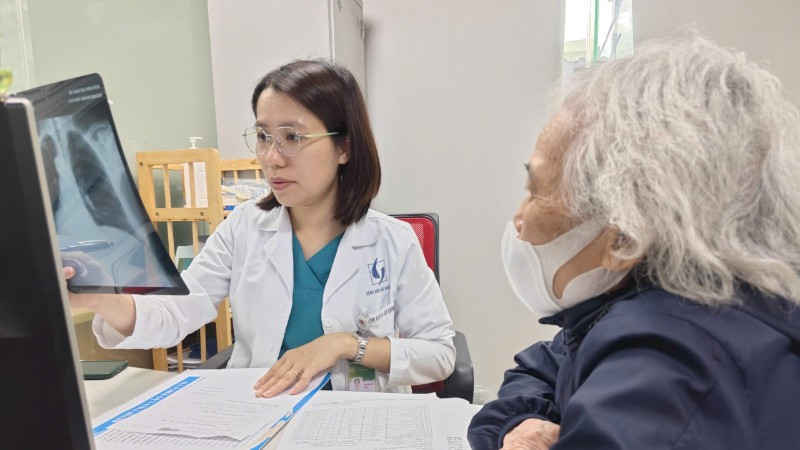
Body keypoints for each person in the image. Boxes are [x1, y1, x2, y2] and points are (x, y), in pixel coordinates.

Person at [468, 36, 800, 449]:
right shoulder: (666, 303)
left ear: (624, 237)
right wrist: (520, 422)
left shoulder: (664, 376)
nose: (518, 218)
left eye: (535, 191)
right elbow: (542, 368)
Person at [67, 59, 456, 396]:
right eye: (263, 137)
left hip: (361, 421)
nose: (271, 158)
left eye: (292, 138)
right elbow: (176, 312)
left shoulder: (393, 241)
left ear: (344, 148)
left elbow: (439, 353)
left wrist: (344, 345)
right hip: (261, 414)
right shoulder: (242, 228)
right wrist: (101, 299)